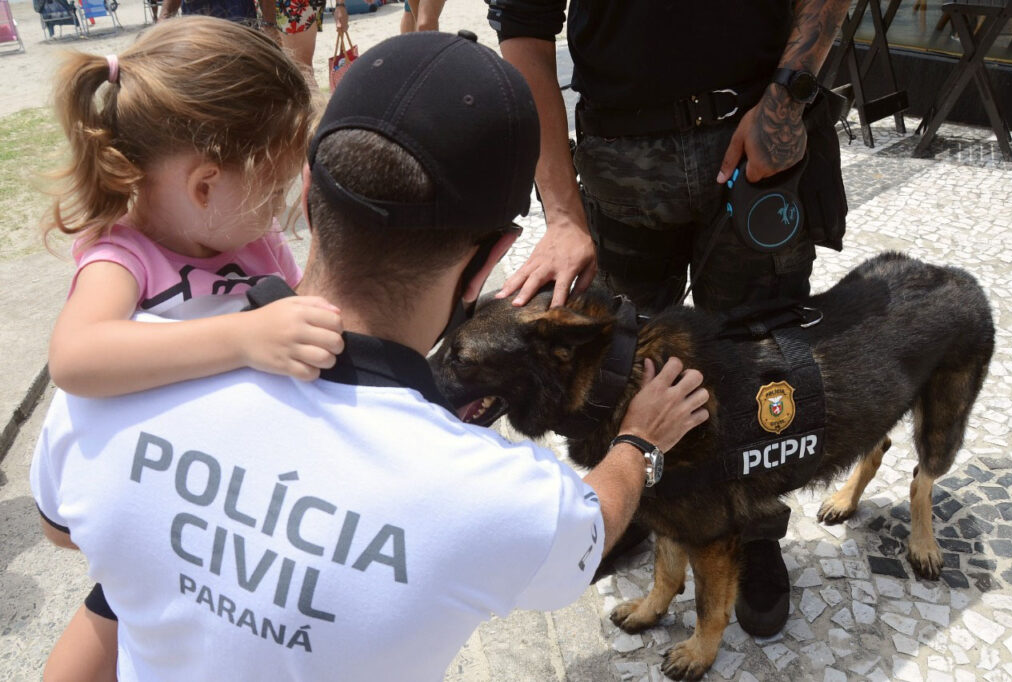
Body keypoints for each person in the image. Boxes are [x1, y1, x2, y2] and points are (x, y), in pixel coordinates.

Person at [31, 31, 709, 681]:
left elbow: (66, 532)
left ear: (306, 194)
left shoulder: (103, 396)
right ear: (490, 262)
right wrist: (641, 443)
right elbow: (592, 526)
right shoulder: (498, 497)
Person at [486, 0, 850, 638]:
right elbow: (523, 24)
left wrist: (789, 97)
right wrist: (563, 213)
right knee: (625, 366)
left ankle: (755, 525)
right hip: (621, 159)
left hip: (759, 133)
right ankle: (644, 512)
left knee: (760, 359)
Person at [39, 16, 344, 681]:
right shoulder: (122, 258)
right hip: (156, 505)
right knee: (106, 626)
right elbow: (75, 358)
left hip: (231, 497)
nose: (280, 210)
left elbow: (295, 319)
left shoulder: (247, 239)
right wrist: (240, 339)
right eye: (274, 191)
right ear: (205, 186)